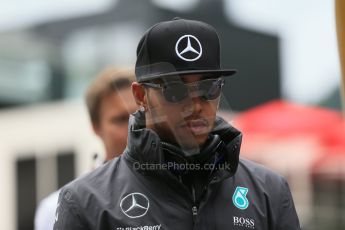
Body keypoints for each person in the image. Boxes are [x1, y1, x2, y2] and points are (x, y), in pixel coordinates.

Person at [54, 18, 301, 230]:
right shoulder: (85, 201)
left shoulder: (269, 191)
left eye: (208, 87)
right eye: (175, 89)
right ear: (140, 96)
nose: (194, 105)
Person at [34, 67, 137, 230]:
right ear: (96, 127)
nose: (134, 126)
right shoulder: (57, 207)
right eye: (121, 119)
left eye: (142, 114)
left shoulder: (181, 189)